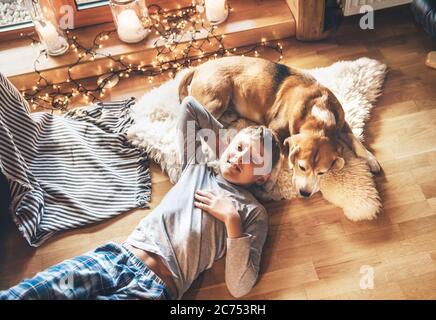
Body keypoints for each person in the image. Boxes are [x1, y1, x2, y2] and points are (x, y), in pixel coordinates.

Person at [0, 96, 282, 300]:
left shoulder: (251, 213)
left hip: (153, 290)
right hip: (115, 258)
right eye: (240, 147)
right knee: (31, 292)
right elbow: (190, 108)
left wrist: (232, 222)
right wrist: (227, 148)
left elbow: (240, 286)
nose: (241, 157)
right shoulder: (196, 168)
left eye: (254, 159)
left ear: (262, 178)